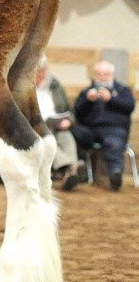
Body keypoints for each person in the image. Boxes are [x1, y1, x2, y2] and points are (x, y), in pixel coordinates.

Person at [72, 60, 136, 191]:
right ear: (94, 76)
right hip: (90, 130)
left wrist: (110, 99)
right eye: (99, 74)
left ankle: (115, 175)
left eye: (106, 74)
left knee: (114, 143)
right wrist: (87, 101)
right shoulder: (87, 92)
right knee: (74, 133)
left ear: (112, 75)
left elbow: (130, 106)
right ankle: (78, 171)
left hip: (114, 130)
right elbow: (77, 112)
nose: (102, 77)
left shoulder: (123, 90)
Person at [35, 56, 82, 191]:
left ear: (45, 71)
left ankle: (71, 172)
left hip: (56, 125)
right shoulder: (22, 86)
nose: (38, 75)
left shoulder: (55, 86)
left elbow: (69, 110)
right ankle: (70, 167)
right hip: (34, 128)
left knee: (66, 136)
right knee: (46, 140)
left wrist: (68, 121)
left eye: (40, 71)